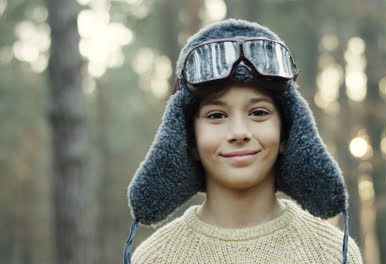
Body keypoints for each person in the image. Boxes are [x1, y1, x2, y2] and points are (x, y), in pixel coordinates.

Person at [124, 19, 363, 264]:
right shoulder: (156, 258)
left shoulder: (331, 253)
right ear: (189, 139)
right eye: (216, 115)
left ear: (288, 132)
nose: (239, 132)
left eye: (258, 112)